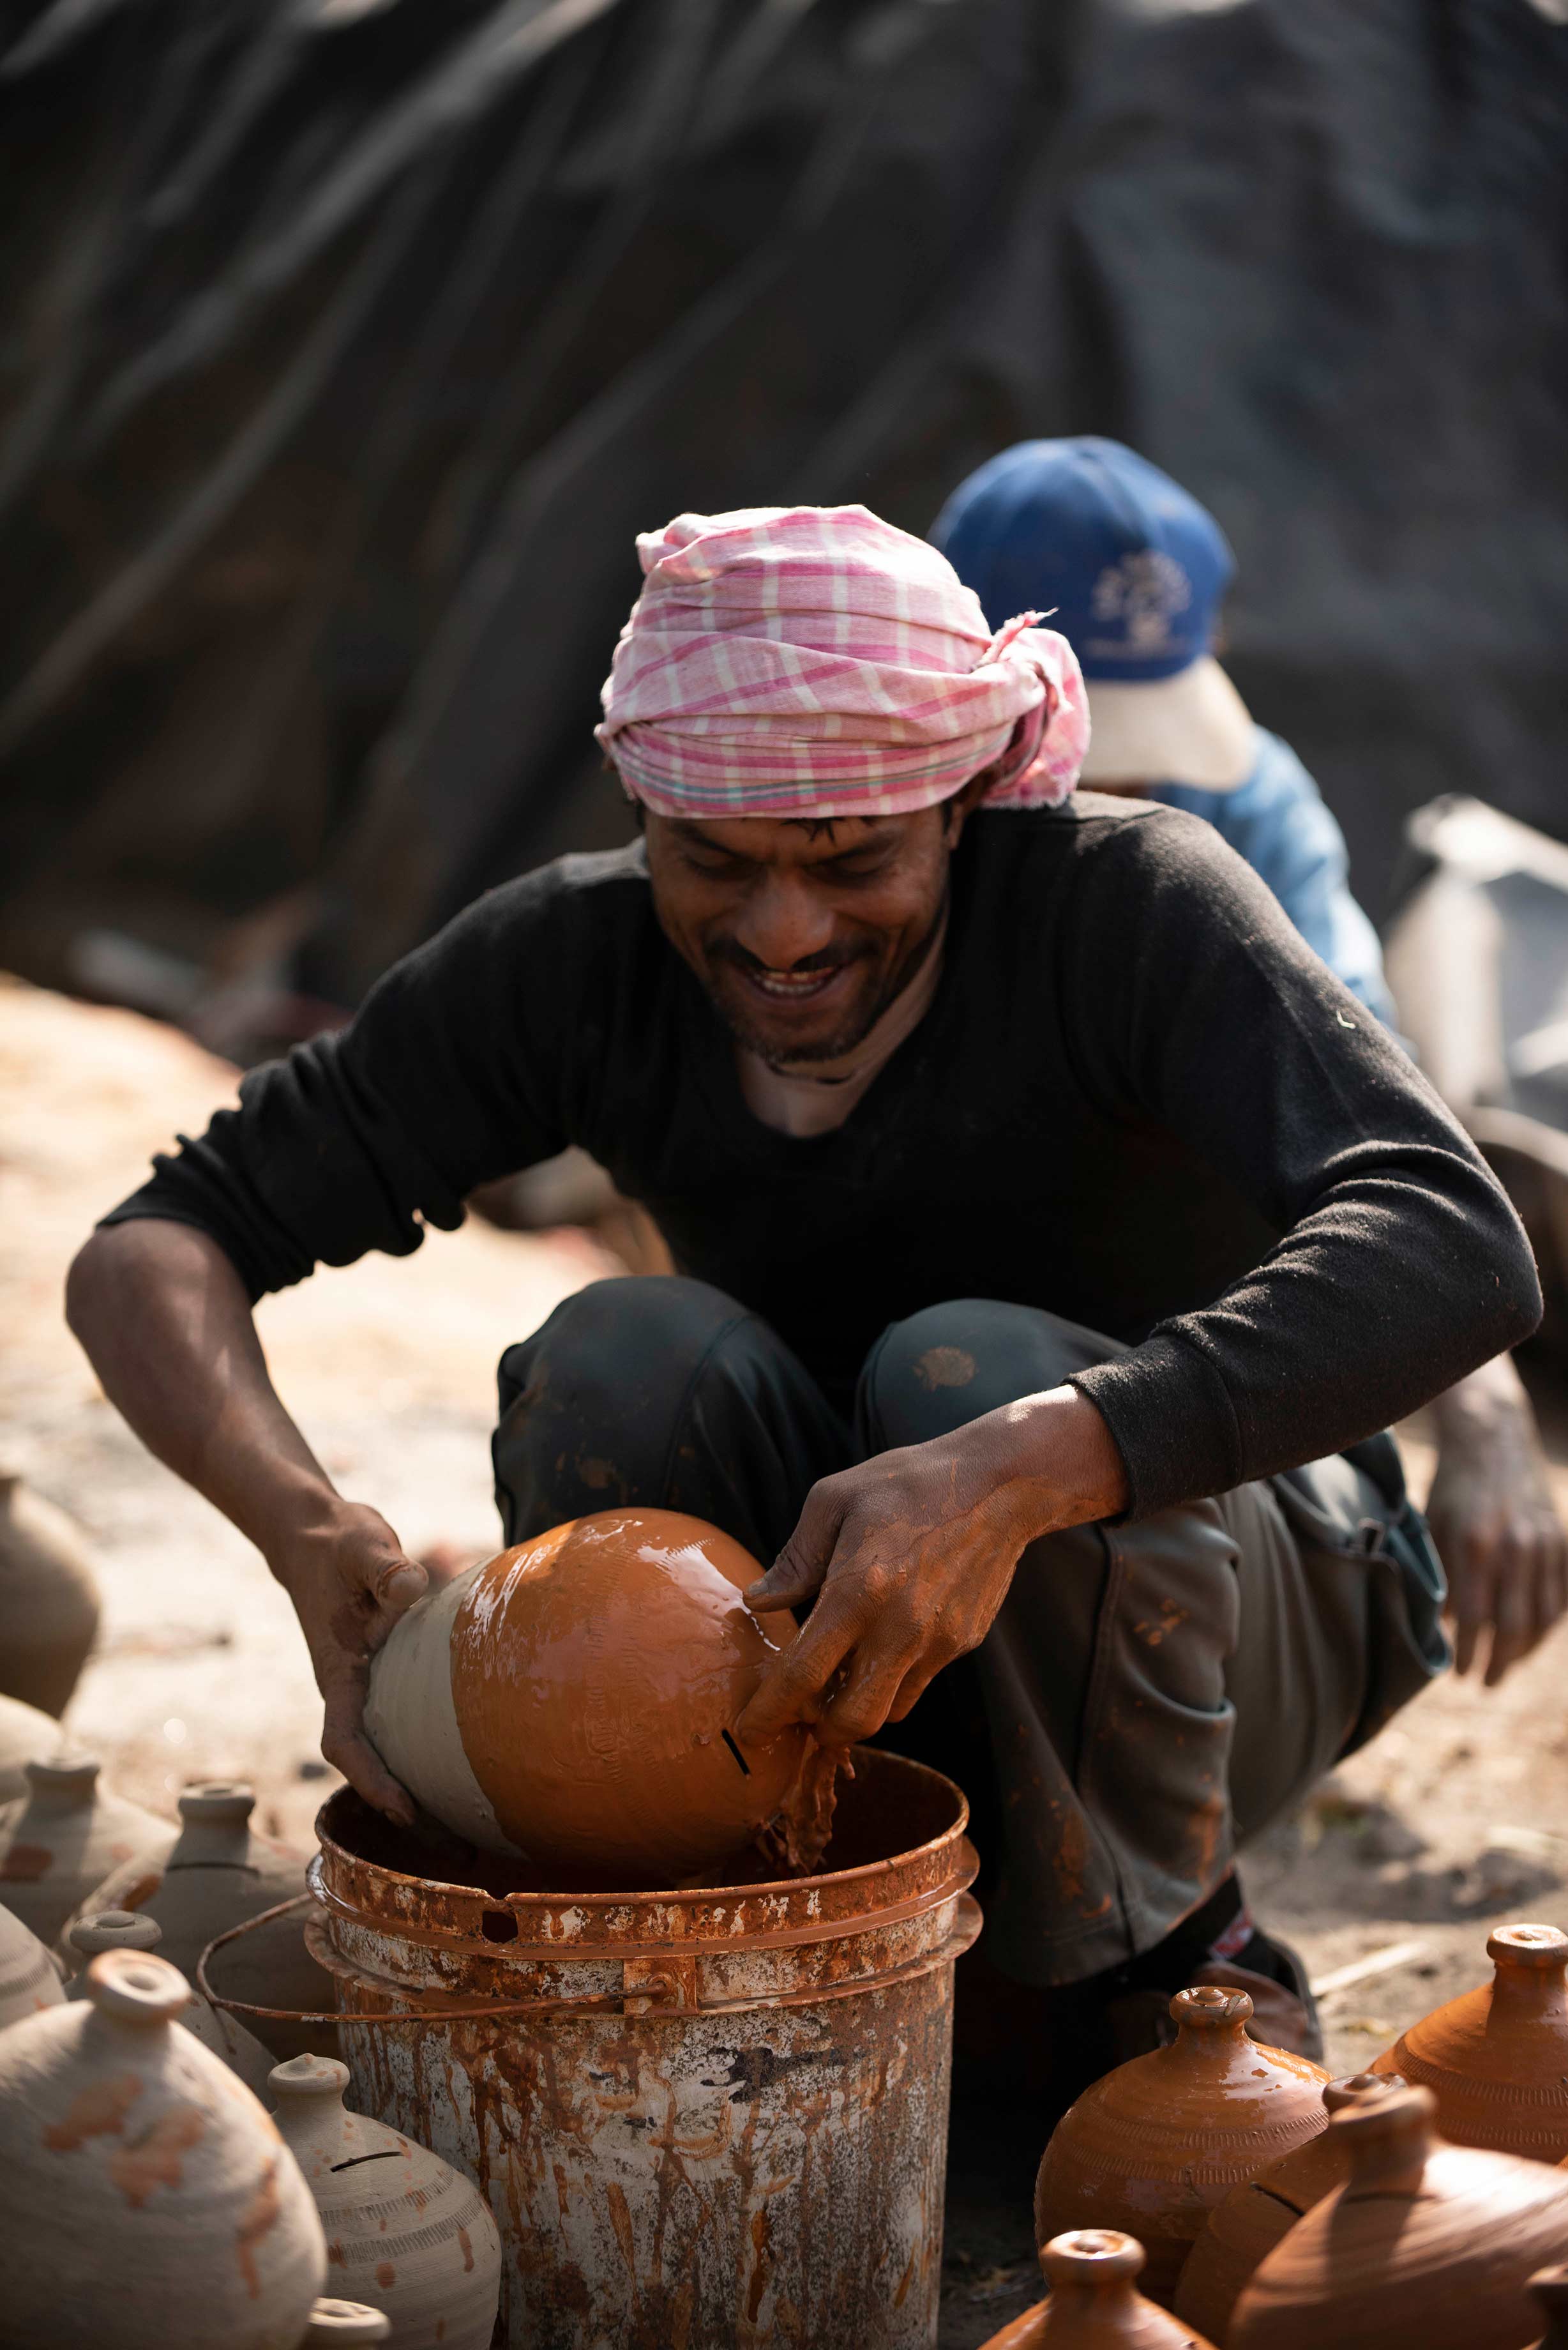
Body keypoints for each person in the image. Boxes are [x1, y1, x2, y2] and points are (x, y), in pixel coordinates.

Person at [68, 503, 1539, 2069]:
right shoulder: (579, 961)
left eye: (852, 863)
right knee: (622, 1356)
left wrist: (1028, 1460)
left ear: (963, 804)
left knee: (962, 1375)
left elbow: (1454, 1234)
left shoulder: (1130, 909)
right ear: (646, 815)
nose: (780, 930)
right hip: (840, 1627)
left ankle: (1153, 1952)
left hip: (1237, 1611)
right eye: (715, 861)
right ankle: (698, 1895)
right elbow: (156, 1247)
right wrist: (307, 1532)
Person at [932, 438, 1568, 1696]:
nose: (1116, 781)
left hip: (1163, 1379)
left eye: (1142, 731)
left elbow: (1372, 1115)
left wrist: (1482, 1406)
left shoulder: (1249, 809)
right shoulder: (873, 830)